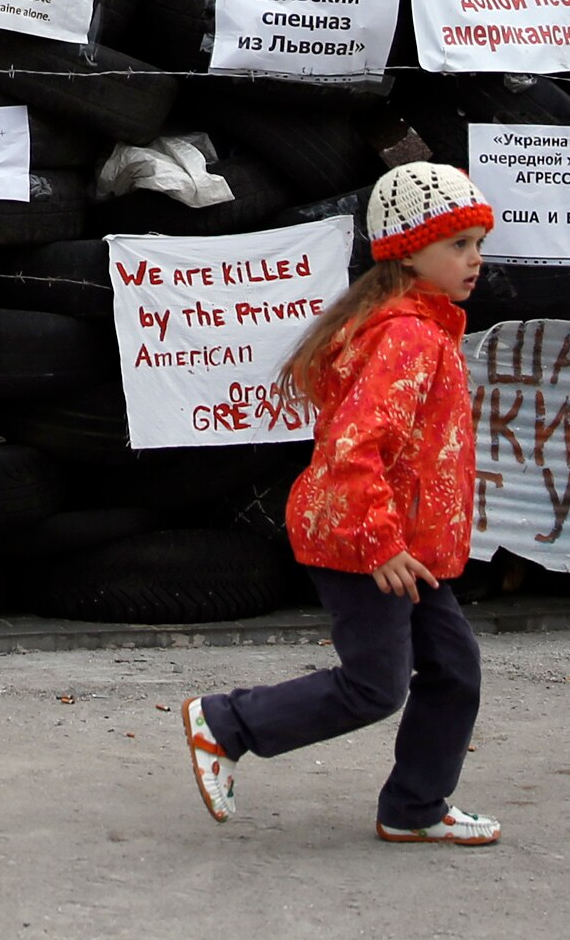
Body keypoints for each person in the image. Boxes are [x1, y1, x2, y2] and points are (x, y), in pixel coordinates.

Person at [181, 163, 499, 847]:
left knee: (453, 667)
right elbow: (355, 446)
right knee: (375, 687)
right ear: (408, 250)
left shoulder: (424, 326)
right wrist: (381, 543)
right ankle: (226, 724)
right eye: (459, 244)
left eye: (479, 244)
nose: (475, 260)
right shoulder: (407, 334)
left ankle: (415, 805)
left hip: (407, 549)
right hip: (365, 544)